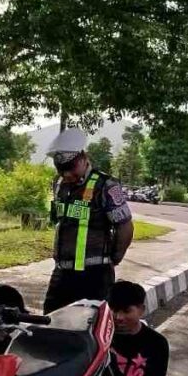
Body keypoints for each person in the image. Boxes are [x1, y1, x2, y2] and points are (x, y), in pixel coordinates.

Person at [43, 128, 134, 314]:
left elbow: (125, 226)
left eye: (71, 167)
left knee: (90, 330)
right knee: (50, 325)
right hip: (62, 273)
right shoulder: (60, 185)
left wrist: (114, 259)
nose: (66, 174)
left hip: (95, 275)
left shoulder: (106, 185)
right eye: (61, 169)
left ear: (84, 159)